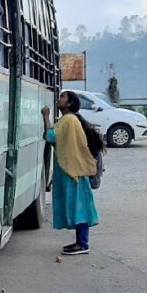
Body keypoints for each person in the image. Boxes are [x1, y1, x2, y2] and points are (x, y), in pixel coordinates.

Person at [41, 90, 102, 255]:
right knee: (78, 206)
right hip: (73, 170)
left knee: (78, 207)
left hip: (72, 171)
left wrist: (45, 116)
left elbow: (50, 137)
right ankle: (80, 242)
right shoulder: (69, 119)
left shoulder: (68, 120)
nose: (59, 99)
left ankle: (82, 244)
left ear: (69, 103)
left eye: (63, 97)